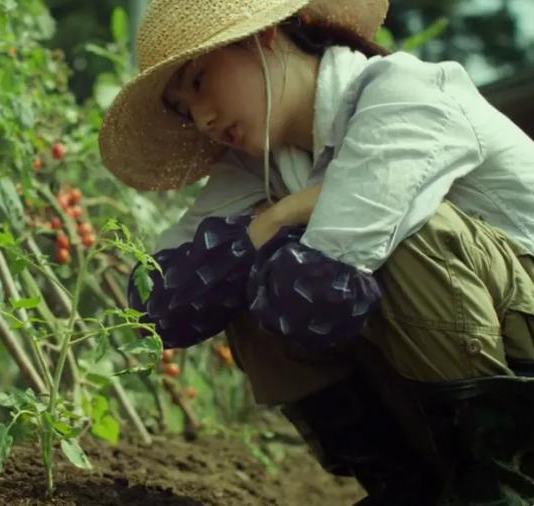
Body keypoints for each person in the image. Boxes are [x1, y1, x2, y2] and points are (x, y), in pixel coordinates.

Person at [98, 0, 534, 504]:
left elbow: (319, 290)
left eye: (198, 82)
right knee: (238, 268)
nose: (203, 119)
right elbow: (157, 300)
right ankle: (411, 487)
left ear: (260, 37)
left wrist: (273, 231)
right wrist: (279, 217)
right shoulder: (259, 165)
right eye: (183, 109)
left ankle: (501, 486)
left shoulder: (403, 94)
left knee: (412, 235)